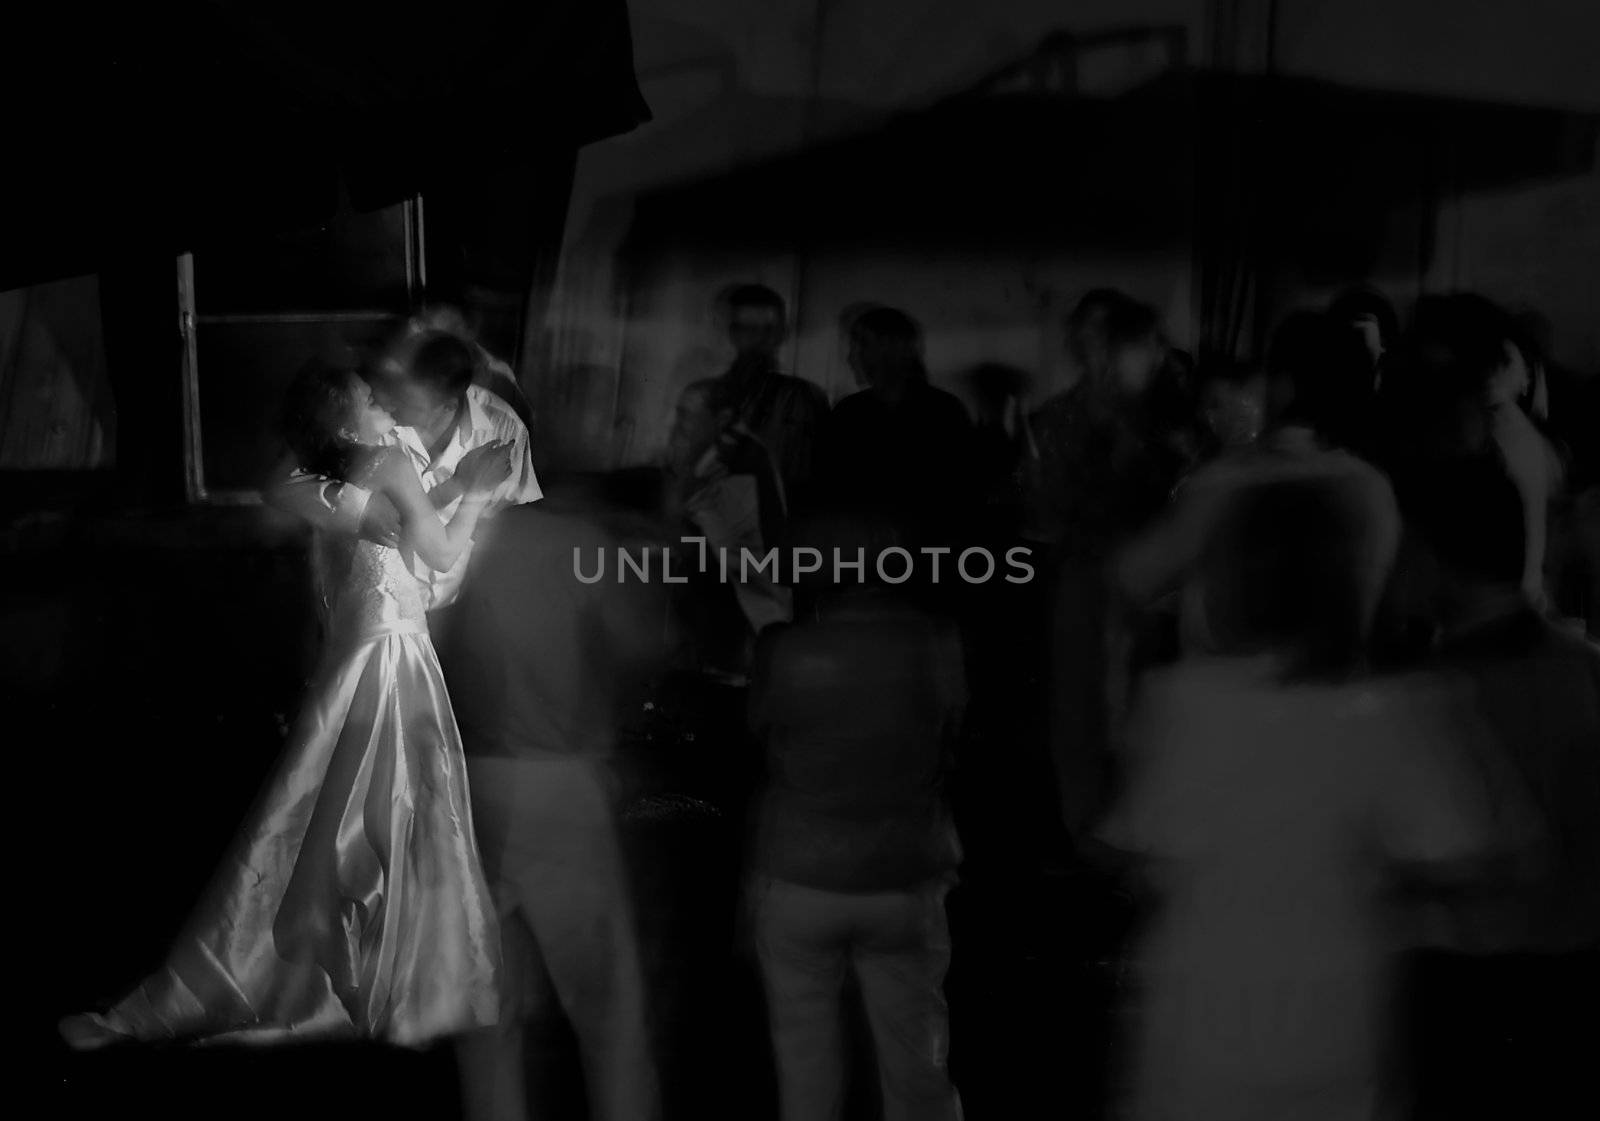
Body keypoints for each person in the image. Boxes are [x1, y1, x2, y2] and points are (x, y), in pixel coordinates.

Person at [59, 357, 513, 1048]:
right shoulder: (386, 461)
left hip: (356, 657)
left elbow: (368, 513)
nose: (381, 399)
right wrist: (477, 495)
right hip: (391, 659)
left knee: (328, 811)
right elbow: (444, 552)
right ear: (339, 416)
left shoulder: (335, 480)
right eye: (366, 395)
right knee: (397, 810)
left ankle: (331, 968)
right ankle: (412, 980)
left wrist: (450, 482)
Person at [1100, 474, 1506, 1121]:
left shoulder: (1183, 704)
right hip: (1336, 1008)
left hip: (1201, 1004)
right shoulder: (1398, 712)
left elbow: (1144, 852)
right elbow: (1465, 853)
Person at [442, 478, 668, 1121]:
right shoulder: (579, 543)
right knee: (610, 1015)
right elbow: (644, 650)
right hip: (560, 781)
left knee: (486, 1019)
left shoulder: (441, 541)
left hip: (460, 787)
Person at [747, 513, 966, 1121]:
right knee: (917, 1063)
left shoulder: (788, 651)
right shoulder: (935, 643)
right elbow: (953, 747)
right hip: (905, 873)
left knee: (807, 1072)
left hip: (798, 875)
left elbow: (764, 737)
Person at [264, 327, 542, 620]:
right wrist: (359, 509)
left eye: (409, 401)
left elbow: (516, 531)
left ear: (448, 403)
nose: (391, 402)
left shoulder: (503, 428)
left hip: (465, 611)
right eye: (391, 390)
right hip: (373, 619)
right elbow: (279, 486)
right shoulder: (366, 422)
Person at [817, 304, 977, 550]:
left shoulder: (943, 412)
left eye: (863, 344)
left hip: (919, 557)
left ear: (892, 348)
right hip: (865, 556)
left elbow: (959, 497)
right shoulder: (849, 412)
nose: (851, 356)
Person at [711, 283, 830, 513]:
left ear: (780, 333)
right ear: (732, 332)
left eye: (768, 330)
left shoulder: (801, 396)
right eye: (747, 329)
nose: (759, 339)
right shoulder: (711, 394)